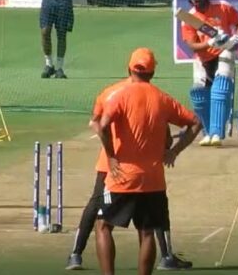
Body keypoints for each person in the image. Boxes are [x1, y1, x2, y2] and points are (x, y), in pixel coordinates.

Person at [65, 77, 193, 270]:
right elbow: (169, 136)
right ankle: (166, 255)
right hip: (135, 171)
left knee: (100, 213)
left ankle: (76, 255)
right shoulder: (155, 96)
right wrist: (171, 149)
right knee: (147, 225)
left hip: (112, 166)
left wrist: (110, 154)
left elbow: (97, 124)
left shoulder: (111, 92)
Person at [94, 48, 202, 275]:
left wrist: (111, 156)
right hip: (153, 180)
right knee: (147, 232)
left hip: (122, 177)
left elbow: (102, 126)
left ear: (129, 69)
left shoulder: (121, 96)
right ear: (153, 73)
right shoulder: (162, 98)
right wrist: (174, 151)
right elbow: (195, 123)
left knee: (103, 226)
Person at [180, 0, 238, 146]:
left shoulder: (222, 7)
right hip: (203, 58)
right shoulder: (189, 17)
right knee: (198, 94)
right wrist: (209, 43)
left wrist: (237, 37)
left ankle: (217, 132)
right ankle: (208, 133)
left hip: (224, 50)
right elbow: (192, 46)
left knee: (220, 88)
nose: (197, 0)